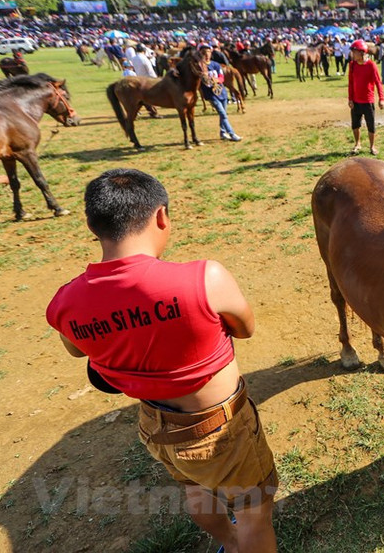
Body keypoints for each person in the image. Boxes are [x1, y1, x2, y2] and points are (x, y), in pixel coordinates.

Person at [45, 169, 278, 553]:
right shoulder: (205, 278)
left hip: (156, 424)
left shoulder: (66, 303)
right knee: (253, 510)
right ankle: (244, 542)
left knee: (195, 489)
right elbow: (245, 327)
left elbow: (77, 349)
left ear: (91, 224)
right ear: (161, 217)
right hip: (220, 428)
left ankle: (231, 545)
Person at [347, 39, 384, 156]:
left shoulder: (371, 65)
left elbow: (378, 82)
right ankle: (357, 143)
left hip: (368, 101)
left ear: (362, 52)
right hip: (356, 101)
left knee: (370, 124)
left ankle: (372, 146)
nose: (352, 54)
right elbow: (351, 83)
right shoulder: (352, 65)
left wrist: (381, 98)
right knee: (355, 124)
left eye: (354, 52)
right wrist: (350, 99)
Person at [198, 44, 241, 142]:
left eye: (208, 52)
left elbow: (222, 78)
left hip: (221, 92)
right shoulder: (200, 66)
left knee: (223, 114)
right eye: (204, 53)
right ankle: (232, 133)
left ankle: (222, 132)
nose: (207, 55)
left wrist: (215, 80)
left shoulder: (216, 65)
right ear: (200, 54)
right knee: (223, 114)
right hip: (211, 94)